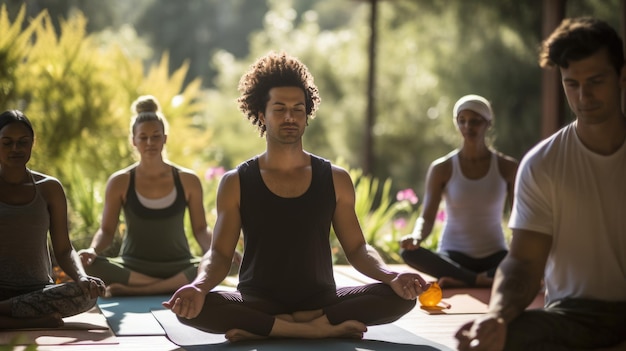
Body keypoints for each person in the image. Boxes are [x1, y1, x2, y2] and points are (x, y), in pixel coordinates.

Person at [163, 51, 428, 342]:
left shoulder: (335, 179)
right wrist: (199, 287)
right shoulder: (236, 182)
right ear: (262, 114)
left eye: (298, 109)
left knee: (400, 297)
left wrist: (391, 276)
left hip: (321, 301)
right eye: (279, 109)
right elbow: (220, 254)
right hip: (257, 300)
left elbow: (357, 248)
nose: (290, 116)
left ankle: (266, 329)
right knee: (191, 307)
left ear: (307, 114)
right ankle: (315, 330)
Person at [455, 17, 626, 351]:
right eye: (571, 83)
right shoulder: (543, 163)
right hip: (574, 316)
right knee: (497, 339)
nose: (584, 95)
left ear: (622, 75)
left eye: (595, 81)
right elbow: (522, 262)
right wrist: (497, 317)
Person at [78, 95, 213, 297]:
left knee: (220, 261)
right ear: (134, 141)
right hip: (134, 267)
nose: (150, 142)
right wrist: (93, 250)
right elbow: (106, 231)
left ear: (165, 138)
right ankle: (169, 286)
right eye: (143, 137)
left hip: (179, 265)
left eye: (156, 136)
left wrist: (216, 252)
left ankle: (141, 289)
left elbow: (201, 230)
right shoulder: (120, 181)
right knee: (87, 265)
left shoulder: (187, 180)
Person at [0, 110, 105, 329]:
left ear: (32, 144)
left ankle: (6, 315)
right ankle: (27, 322)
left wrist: (82, 277)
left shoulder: (49, 188)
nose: (15, 149)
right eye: (7, 143)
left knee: (86, 294)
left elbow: (64, 250)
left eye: (22, 142)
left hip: (37, 291)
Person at [400, 95, 518, 288]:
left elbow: (518, 217)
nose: (467, 127)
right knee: (408, 253)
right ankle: (481, 280)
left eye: (475, 121)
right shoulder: (442, 168)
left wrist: (518, 251)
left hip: (495, 257)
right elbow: (427, 218)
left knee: (530, 259)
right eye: (461, 121)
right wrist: (416, 236)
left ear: (488, 123)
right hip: (453, 256)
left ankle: (463, 279)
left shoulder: (508, 168)